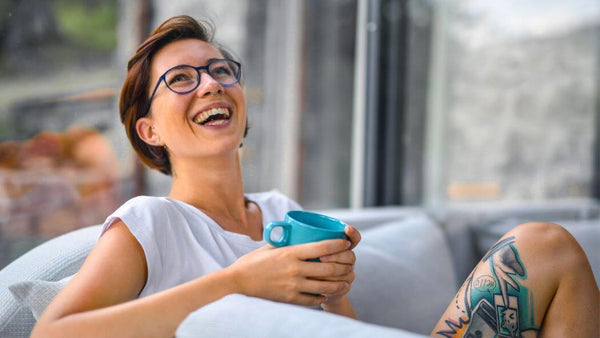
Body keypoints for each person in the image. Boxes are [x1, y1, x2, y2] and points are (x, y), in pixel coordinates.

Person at [32, 15, 598, 338]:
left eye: (220, 70)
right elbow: (51, 335)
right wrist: (236, 283)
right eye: (181, 79)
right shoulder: (149, 223)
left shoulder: (283, 212)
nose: (209, 84)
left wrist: (336, 290)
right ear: (149, 130)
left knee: (546, 247)